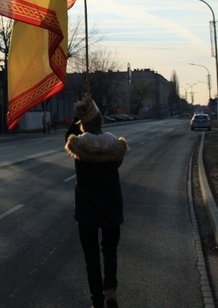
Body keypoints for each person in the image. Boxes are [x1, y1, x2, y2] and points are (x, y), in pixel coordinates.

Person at [65, 94, 129, 308]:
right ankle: (110, 290)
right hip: (111, 206)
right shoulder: (114, 144)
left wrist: (81, 112)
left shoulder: (79, 146)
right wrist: (91, 108)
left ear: (83, 122)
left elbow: (69, 135)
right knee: (110, 251)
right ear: (101, 120)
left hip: (87, 209)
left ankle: (97, 300)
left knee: (91, 257)